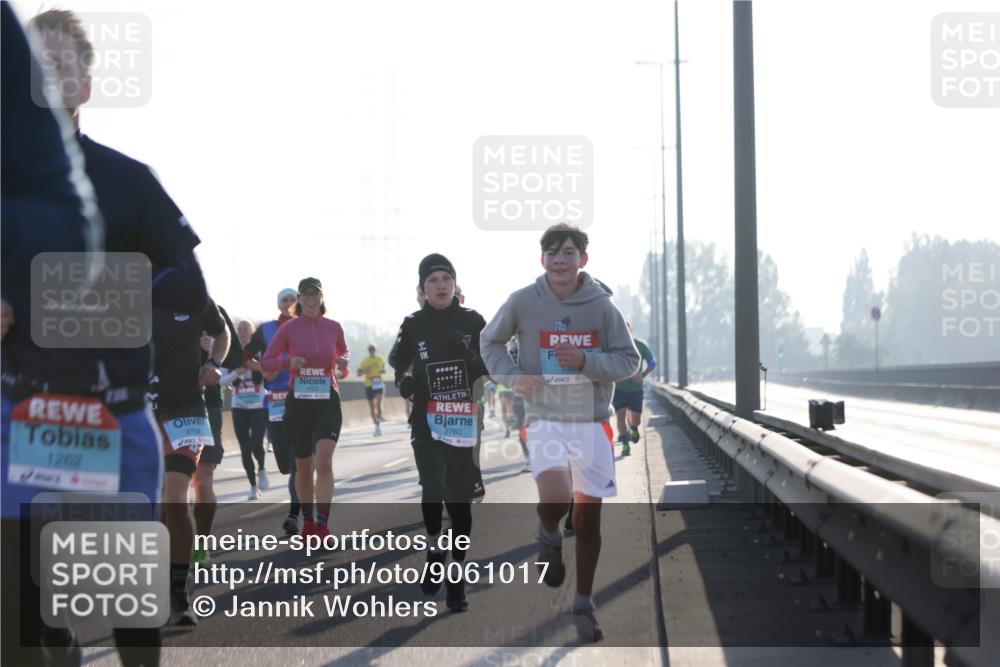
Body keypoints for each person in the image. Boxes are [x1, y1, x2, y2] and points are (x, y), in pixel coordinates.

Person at [481, 223, 639, 642]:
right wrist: (513, 379)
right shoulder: (523, 301)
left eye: (568, 252)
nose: (559, 260)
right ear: (542, 260)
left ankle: (584, 602)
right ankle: (548, 532)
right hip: (545, 416)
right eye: (551, 253)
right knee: (555, 498)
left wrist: (586, 360)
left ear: (583, 259)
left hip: (591, 422)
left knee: (588, 521)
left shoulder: (603, 308)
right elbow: (489, 343)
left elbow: (629, 361)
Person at [389, 254, 489, 612]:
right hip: (427, 419)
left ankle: (456, 578)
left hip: (463, 419)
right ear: (422, 288)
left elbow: (491, 367)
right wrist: (406, 381)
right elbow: (398, 362)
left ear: (455, 284)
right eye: (433, 279)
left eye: (446, 277)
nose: (441, 284)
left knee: (459, 503)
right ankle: (434, 548)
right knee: (433, 487)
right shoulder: (413, 323)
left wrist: (473, 358)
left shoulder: (473, 320)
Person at [151, 298, 230, 626]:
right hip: (139, 412)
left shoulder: (192, 291)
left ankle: (179, 594)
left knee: (175, 499)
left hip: (186, 409)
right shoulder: (120, 293)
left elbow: (222, 333)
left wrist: (213, 364)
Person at [262, 278, 348, 540]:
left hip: (327, 400)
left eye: (316, 295)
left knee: (324, 462)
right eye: (306, 296)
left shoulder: (333, 327)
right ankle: (307, 522)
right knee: (303, 466)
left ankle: (322, 526)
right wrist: (289, 361)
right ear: (299, 300)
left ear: (322, 299)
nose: (311, 300)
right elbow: (267, 362)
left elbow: (343, 354)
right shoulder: (289, 329)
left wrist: (343, 362)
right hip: (298, 403)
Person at [247, 288, 300, 535]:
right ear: (279, 305)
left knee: (298, 462)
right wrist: (262, 370)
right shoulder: (267, 329)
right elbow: (244, 354)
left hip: (303, 398)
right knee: (285, 465)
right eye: (285, 300)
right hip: (275, 403)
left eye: (293, 299)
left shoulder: (308, 326)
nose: (289, 303)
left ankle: (295, 514)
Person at [191, 305, 239, 567]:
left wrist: (212, 356)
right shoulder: (150, 305)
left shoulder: (211, 310)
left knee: (202, 478)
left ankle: (200, 546)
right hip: (162, 403)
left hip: (207, 404)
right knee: (170, 482)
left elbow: (236, 357)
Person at [224, 320, 270, 499]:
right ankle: (252, 486)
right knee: (244, 447)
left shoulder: (260, 351)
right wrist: (238, 372)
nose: (242, 332)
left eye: (246, 329)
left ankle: (262, 468)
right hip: (239, 406)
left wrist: (256, 366)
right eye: (240, 329)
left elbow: (270, 372)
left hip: (258, 405)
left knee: (256, 444)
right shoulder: (230, 353)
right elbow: (221, 380)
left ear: (252, 333)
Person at [611, 324, 656, 456]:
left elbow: (652, 362)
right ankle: (625, 444)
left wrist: (642, 375)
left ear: (630, 331)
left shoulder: (640, 345)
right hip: (619, 388)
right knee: (620, 417)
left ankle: (634, 428)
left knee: (635, 419)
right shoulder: (614, 346)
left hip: (635, 389)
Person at [357, 343, 386, 437]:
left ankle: (378, 425)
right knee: (372, 408)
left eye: (373, 349)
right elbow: (358, 373)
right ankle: (376, 426)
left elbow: (384, 369)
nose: (372, 351)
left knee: (378, 405)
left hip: (378, 384)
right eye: (370, 349)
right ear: (368, 351)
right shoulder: (365, 361)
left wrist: (382, 371)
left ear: (376, 350)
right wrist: (366, 370)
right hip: (369, 384)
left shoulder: (380, 359)